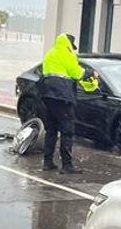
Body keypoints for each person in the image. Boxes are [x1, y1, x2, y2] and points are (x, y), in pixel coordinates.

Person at [39, 33, 94, 174]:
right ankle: (67, 165)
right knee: (67, 131)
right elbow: (77, 73)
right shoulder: (67, 54)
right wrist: (90, 73)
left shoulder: (50, 54)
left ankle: (47, 162)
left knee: (51, 130)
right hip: (62, 97)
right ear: (69, 44)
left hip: (48, 95)